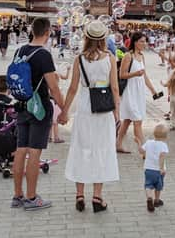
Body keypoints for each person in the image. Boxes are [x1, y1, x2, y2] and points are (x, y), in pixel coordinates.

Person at [60, 21, 120, 213]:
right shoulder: (110, 58)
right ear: (103, 39)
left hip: (85, 108)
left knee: (81, 147)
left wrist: (64, 111)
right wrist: (117, 112)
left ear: (86, 38)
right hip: (103, 110)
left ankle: (79, 195)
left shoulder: (79, 59)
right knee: (101, 149)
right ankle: (97, 197)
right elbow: (115, 88)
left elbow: (72, 88)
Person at [10, 18, 65, 211]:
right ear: (48, 32)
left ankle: (17, 195)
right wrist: (64, 109)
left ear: (32, 31)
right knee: (34, 153)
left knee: (20, 150)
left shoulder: (20, 50)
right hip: (39, 107)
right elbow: (53, 87)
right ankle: (32, 198)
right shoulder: (44, 54)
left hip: (22, 105)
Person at [116, 32, 160, 153]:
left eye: (145, 41)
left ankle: (118, 144)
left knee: (127, 120)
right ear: (135, 42)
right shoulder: (128, 56)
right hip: (130, 91)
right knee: (137, 120)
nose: (144, 43)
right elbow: (122, 75)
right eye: (141, 41)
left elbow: (144, 75)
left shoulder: (142, 56)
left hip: (139, 92)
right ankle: (144, 149)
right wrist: (135, 74)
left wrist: (153, 90)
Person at [140, 124, 169, 212]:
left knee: (148, 185)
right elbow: (162, 156)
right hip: (158, 171)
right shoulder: (163, 145)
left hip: (148, 169)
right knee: (158, 186)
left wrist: (138, 142)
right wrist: (161, 168)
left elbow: (141, 151)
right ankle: (156, 200)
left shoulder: (148, 142)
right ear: (166, 137)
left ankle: (149, 197)